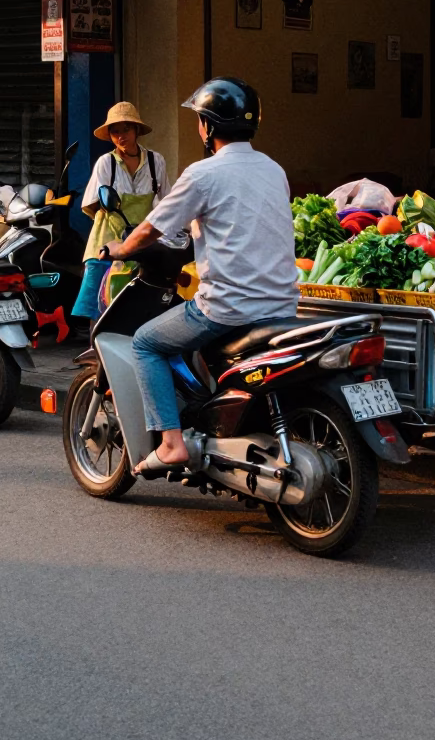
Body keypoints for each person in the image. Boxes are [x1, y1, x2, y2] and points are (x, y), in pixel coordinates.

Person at [103, 77, 298, 475]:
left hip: (227, 308)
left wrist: (121, 249)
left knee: (145, 342)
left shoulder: (203, 173)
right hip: (282, 305)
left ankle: (172, 444)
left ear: (208, 126)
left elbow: (150, 229)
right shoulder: (274, 170)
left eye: (198, 120)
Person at [71, 102, 171, 330]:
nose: (120, 136)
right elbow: (92, 204)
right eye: (115, 131)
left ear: (136, 130)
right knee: (99, 302)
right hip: (107, 239)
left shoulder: (156, 162)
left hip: (142, 241)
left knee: (143, 298)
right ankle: (96, 356)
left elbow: (167, 201)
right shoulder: (106, 163)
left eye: (125, 129)